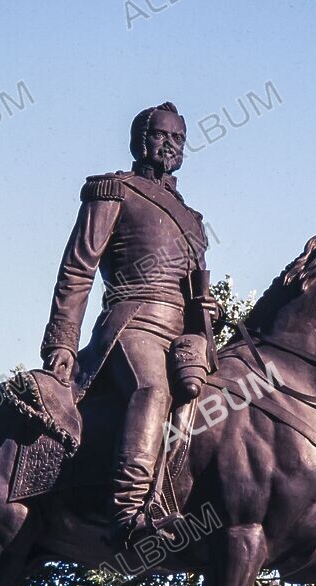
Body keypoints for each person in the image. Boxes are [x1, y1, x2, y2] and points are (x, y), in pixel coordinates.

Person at [40, 101, 218, 547]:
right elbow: (77, 268)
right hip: (131, 323)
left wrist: (205, 319)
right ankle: (127, 512)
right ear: (140, 141)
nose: (169, 145)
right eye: (161, 135)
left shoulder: (194, 222)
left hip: (182, 335)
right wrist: (62, 341)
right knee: (152, 390)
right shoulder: (114, 191)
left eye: (178, 138)